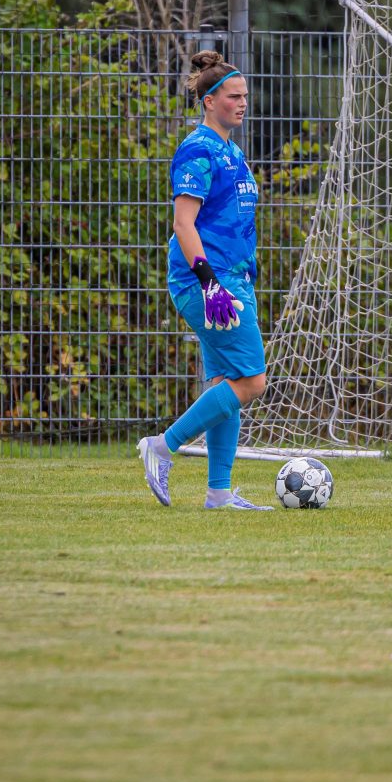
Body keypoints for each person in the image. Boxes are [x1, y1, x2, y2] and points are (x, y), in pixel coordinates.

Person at [137, 50, 272, 510]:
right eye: (234, 96)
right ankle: (163, 446)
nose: (242, 103)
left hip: (232, 278)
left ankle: (218, 493)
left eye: (245, 96)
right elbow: (183, 225)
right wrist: (211, 284)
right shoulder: (197, 149)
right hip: (208, 283)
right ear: (210, 101)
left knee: (228, 382)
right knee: (253, 382)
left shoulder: (231, 150)